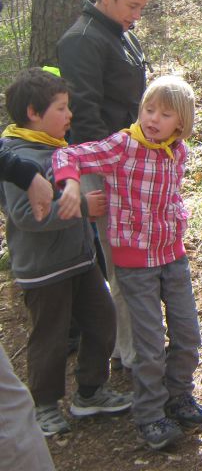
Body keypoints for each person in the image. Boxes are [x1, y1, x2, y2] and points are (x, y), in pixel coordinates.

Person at [53, 76, 202, 450]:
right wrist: (71, 183)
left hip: (172, 257)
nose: (153, 119)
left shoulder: (178, 150)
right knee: (147, 345)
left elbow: (170, 196)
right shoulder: (122, 146)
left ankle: (179, 397)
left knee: (188, 335)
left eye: (165, 114)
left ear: (181, 122)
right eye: (149, 110)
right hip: (135, 262)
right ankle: (150, 415)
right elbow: (68, 154)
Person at [0, 69, 130, 437]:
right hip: (43, 269)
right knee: (50, 337)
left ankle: (89, 391)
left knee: (103, 319)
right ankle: (44, 406)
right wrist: (83, 207)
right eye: (61, 108)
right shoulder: (17, 160)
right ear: (33, 113)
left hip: (80, 260)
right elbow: (27, 216)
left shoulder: (59, 146)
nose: (69, 115)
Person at [57, 0, 156, 370]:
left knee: (134, 258)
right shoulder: (82, 40)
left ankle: (127, 345)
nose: (136, 15)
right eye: (132, 5)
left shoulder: (121, 33)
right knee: (122, 263)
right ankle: (131, 354)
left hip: (132, 159)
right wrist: (105, 171)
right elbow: (84, 114)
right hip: (107, 166)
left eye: (141, 8)